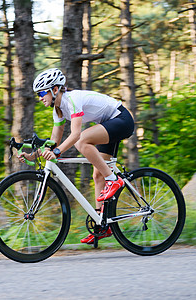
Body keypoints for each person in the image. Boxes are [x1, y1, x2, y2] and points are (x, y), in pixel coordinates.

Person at [17, 68, 135, 245]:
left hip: (121, 119)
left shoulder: (71, 100)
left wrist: (57, 152)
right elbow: (54, 142)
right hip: (107, 123)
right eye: (38, 94)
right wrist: (34, 156)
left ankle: (114, 180)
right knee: (97, 175)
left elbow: (75, 135)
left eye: (42, 92)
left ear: (55, 90)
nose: (40, 97)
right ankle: (102, 225)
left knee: (82, 141)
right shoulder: (57, 110)